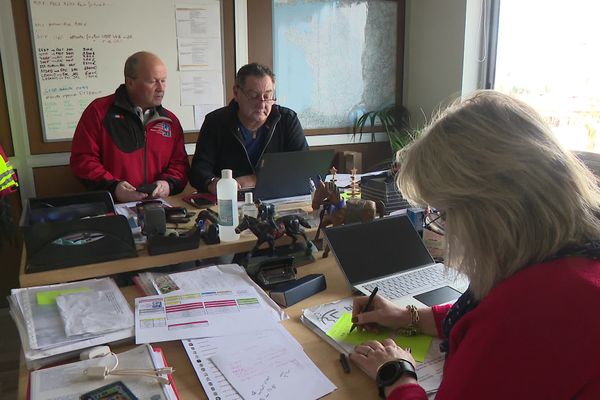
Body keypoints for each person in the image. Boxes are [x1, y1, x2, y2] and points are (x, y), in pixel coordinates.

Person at [349, 91, 600, 399]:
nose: (446, 229)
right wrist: (407, 316)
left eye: (444, 213)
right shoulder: (575, 259)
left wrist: (398, 375)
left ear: (487, 211)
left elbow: (503, 323)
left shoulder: (525, 315)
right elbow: (476, 313)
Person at [70, 51, 189, 203]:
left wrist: (168, 184)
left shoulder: (170, 121)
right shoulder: (98, 112)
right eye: (153, 81)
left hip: (158, 207)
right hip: (114, 207)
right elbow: (83, 160)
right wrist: (114, 188)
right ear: (130, 82)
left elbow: (179, 164)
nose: (161, 88)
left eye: (163, 81)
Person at [189, 63, 308, 194]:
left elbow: (303, 168)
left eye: (268, 96)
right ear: (236, 93)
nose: (262, 104)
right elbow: (198, 171)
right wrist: (212, 182)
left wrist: (255, 179)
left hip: (275, 198)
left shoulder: (286, 120)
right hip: (229, 201)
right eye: (254, 95)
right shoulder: (216, 122)